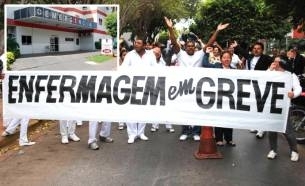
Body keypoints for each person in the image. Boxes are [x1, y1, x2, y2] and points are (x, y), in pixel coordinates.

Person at [164, 16, 229, 141]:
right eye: (188, 46)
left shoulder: (200, 54)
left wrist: (218, 30)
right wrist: (170, 28)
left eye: (192, 46)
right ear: (185, 47)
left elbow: (210, 42)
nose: (190, 48)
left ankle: (195, 132)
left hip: (197, 87)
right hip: (183, 86)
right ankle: (185, 131)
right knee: (184, 109)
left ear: (195, 47)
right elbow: (173, 42)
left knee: (196, 109)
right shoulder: (180, 53)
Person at [232, 41, 273, 138]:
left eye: (258, 48)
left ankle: (262, 129)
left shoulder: (267, 58)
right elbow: (244, 53)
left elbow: (276, 64)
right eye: (254, 48)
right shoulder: (250, 57)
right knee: (255, 106)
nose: (256, 50)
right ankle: (256, 125)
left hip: (263, 85)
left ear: (262, 50)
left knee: (262, 106)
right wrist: (237, 46)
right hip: (252, 85)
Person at [120, 34, 157, 144]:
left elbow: (155, 70)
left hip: (146, 87)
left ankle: (141, 132)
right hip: (132, 87)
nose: (136, 44)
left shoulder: (150, 56)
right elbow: (123, 69)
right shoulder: (130, 55)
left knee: (143, 111)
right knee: (130, 111)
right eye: (135, 42)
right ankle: (132, 134)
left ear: (144, 45)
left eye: (139, 43)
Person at [266, 57, 301, 162]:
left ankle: (294, 151)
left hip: (284, 106)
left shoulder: (290, 75)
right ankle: (273, 150)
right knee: (271, 130)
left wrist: (293, 94)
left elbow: (298, 88)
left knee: (287, 130)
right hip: (271, 106)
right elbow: (261, 80)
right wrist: (269, 70)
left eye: (276, 61)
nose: (274, 62)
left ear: (281, 63)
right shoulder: (270, 72)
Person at [202, 50, 236, 146]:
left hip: (229, 99)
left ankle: (229, 139)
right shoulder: (216, 66)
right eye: (224, 57)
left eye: (228, 57)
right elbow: (205, 64)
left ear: (231, 59)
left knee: (229, 119)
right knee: (219, 118)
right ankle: (219, 139)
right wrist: (207, 53)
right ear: (221, 59)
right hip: (218, 98)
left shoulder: (234, 70)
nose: (226, 59)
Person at [150, 46, 175, 133]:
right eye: (154, 52)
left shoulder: (163, 62)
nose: (156, 54)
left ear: (160, 53)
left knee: (166, 106)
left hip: (163, 85)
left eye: (158, 52)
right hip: (152, 86)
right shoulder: (149, 62)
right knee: (155, 107)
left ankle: (168, 125)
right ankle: (154, 125)